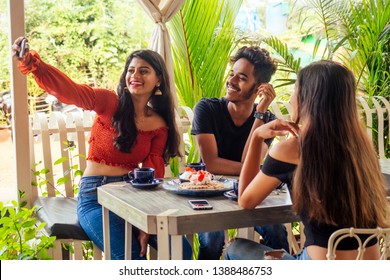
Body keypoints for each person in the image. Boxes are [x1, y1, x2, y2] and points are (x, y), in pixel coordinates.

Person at [12, 37, 192, 260]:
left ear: (158, 80)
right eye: (131, 70)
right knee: (130, 258)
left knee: (182, 250)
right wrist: (33, 64)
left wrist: (147, 222)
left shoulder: (159, 124)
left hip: (132, 197)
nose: (135, 76)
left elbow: (152, 173)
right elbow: (73, 92)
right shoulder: (109, 102)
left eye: (144, 71)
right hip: (94, 196)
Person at [224, 60, 389, 260]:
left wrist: (258, 137)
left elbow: (245, 199)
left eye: (295, 91)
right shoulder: (362, 149)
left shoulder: (291, 149)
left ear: (306, 98)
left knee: (236, 249)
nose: (292, 98)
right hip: (368, 268)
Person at [191, 46, 289, 259]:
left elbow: (248, 159)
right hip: (212, 194)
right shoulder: (207, 109)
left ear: (259, 88)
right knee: (212, 240)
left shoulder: (268, 121)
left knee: (277, 233)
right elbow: (212, 165)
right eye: (232, 74)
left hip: (250, 195)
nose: (232, 81)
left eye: (242, 77)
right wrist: (254, 171)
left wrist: (260, 112)